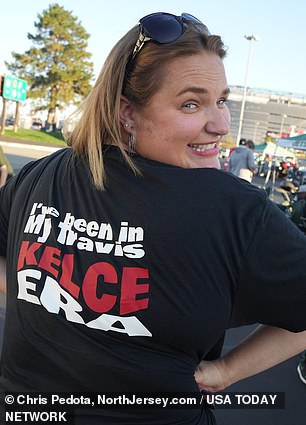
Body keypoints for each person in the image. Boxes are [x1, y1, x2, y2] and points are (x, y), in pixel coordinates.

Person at [0, 12, 306, 425]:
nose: (219, 125)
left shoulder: (40, 173)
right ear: (127, 111)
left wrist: (45, 293)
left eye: (222, 101)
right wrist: (225, 372)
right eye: (191, 103)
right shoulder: (232, 208)